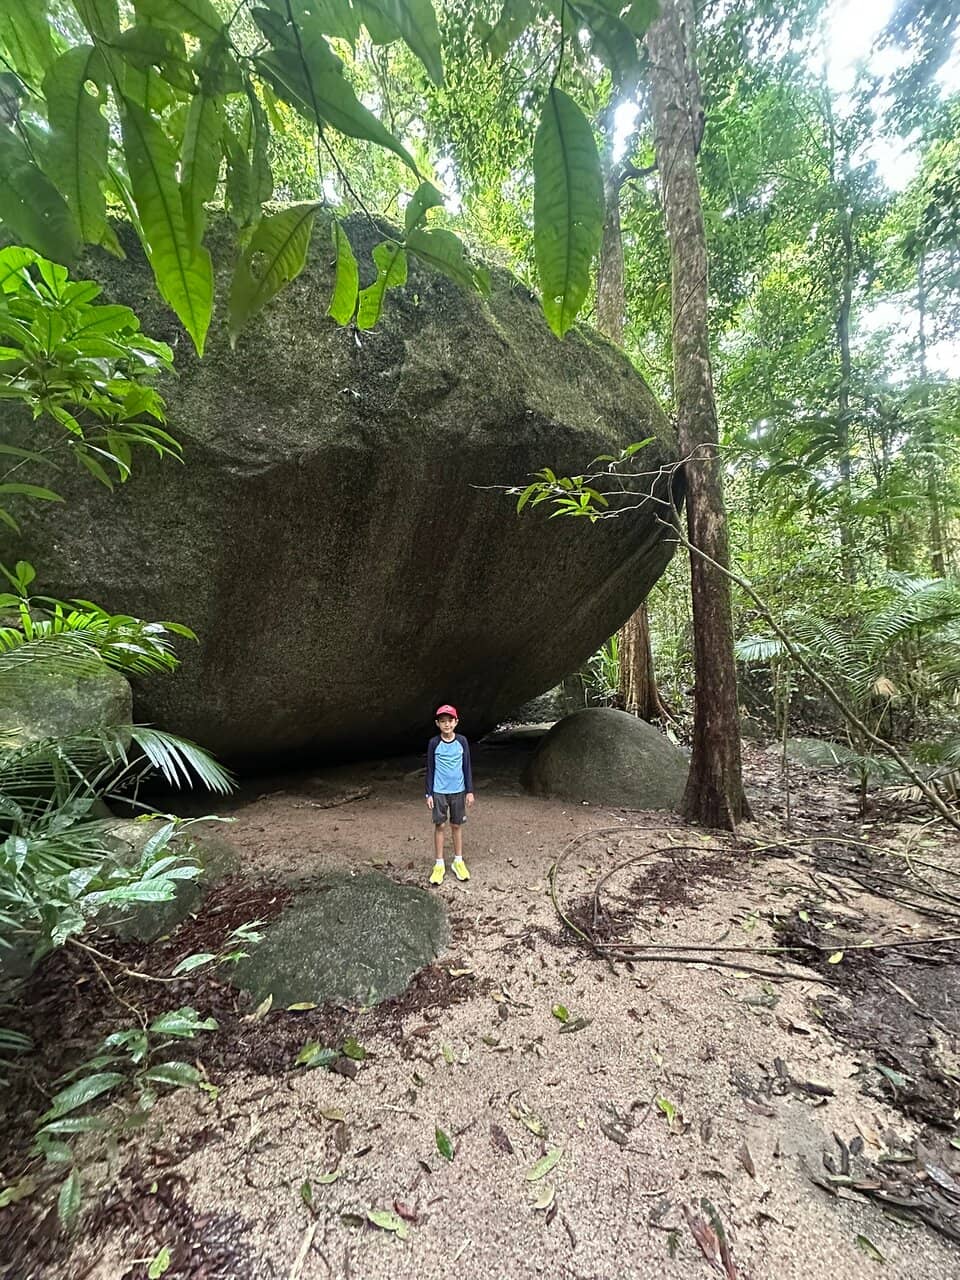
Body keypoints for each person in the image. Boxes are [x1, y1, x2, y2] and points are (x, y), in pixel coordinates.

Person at [425, 703, 474, 885]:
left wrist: (470, 791)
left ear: (456, 722)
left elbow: (466, 766)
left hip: (458, 791)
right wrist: (428, 793)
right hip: (439, 791)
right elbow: (430, 768)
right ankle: (439, 864)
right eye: (443, 721)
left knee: (456, 826)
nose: (447, 724)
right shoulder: (434, 743)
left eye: (450, 721)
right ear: (437, 723)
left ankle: (458, 861)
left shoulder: (461, 741)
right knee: (440, 826)